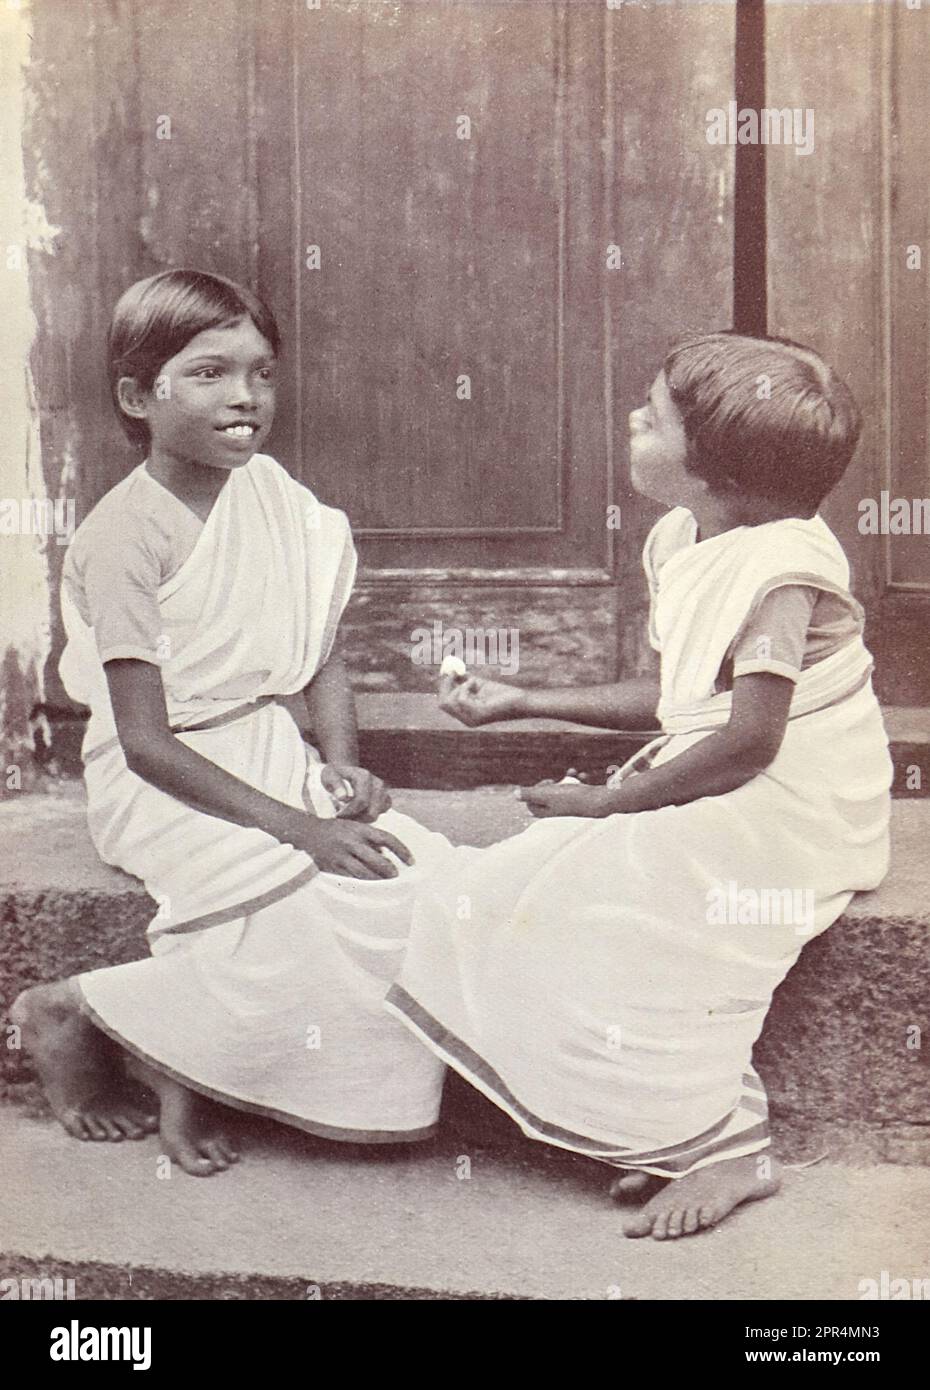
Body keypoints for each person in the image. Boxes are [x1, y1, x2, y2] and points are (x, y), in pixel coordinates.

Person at [386, 332, 893, 1239]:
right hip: (730, 768)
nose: (632, 417)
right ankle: (654, 1117)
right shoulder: (685, 535)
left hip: (798, 800)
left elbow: (748, 742)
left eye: (653, 416)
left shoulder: (780, 574)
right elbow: (678, 699)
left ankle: (727, 1140)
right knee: (520, 882)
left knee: (626, 893)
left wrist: (611, 803)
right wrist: (523, 700)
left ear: (712, 471)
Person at [13, 269, 454, 1175]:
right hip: (161, 777)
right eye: (210, 373)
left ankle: (190, 1050)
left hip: (265, 746)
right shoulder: (124, 537)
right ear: (140, 395)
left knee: (417, 880)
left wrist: (338, 766)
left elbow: (318, 653)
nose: (246, 397)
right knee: (295, 902)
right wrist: (299, 829)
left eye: (262, 372)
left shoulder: (276, 500)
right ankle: (81, 1013)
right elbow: (143, 742)